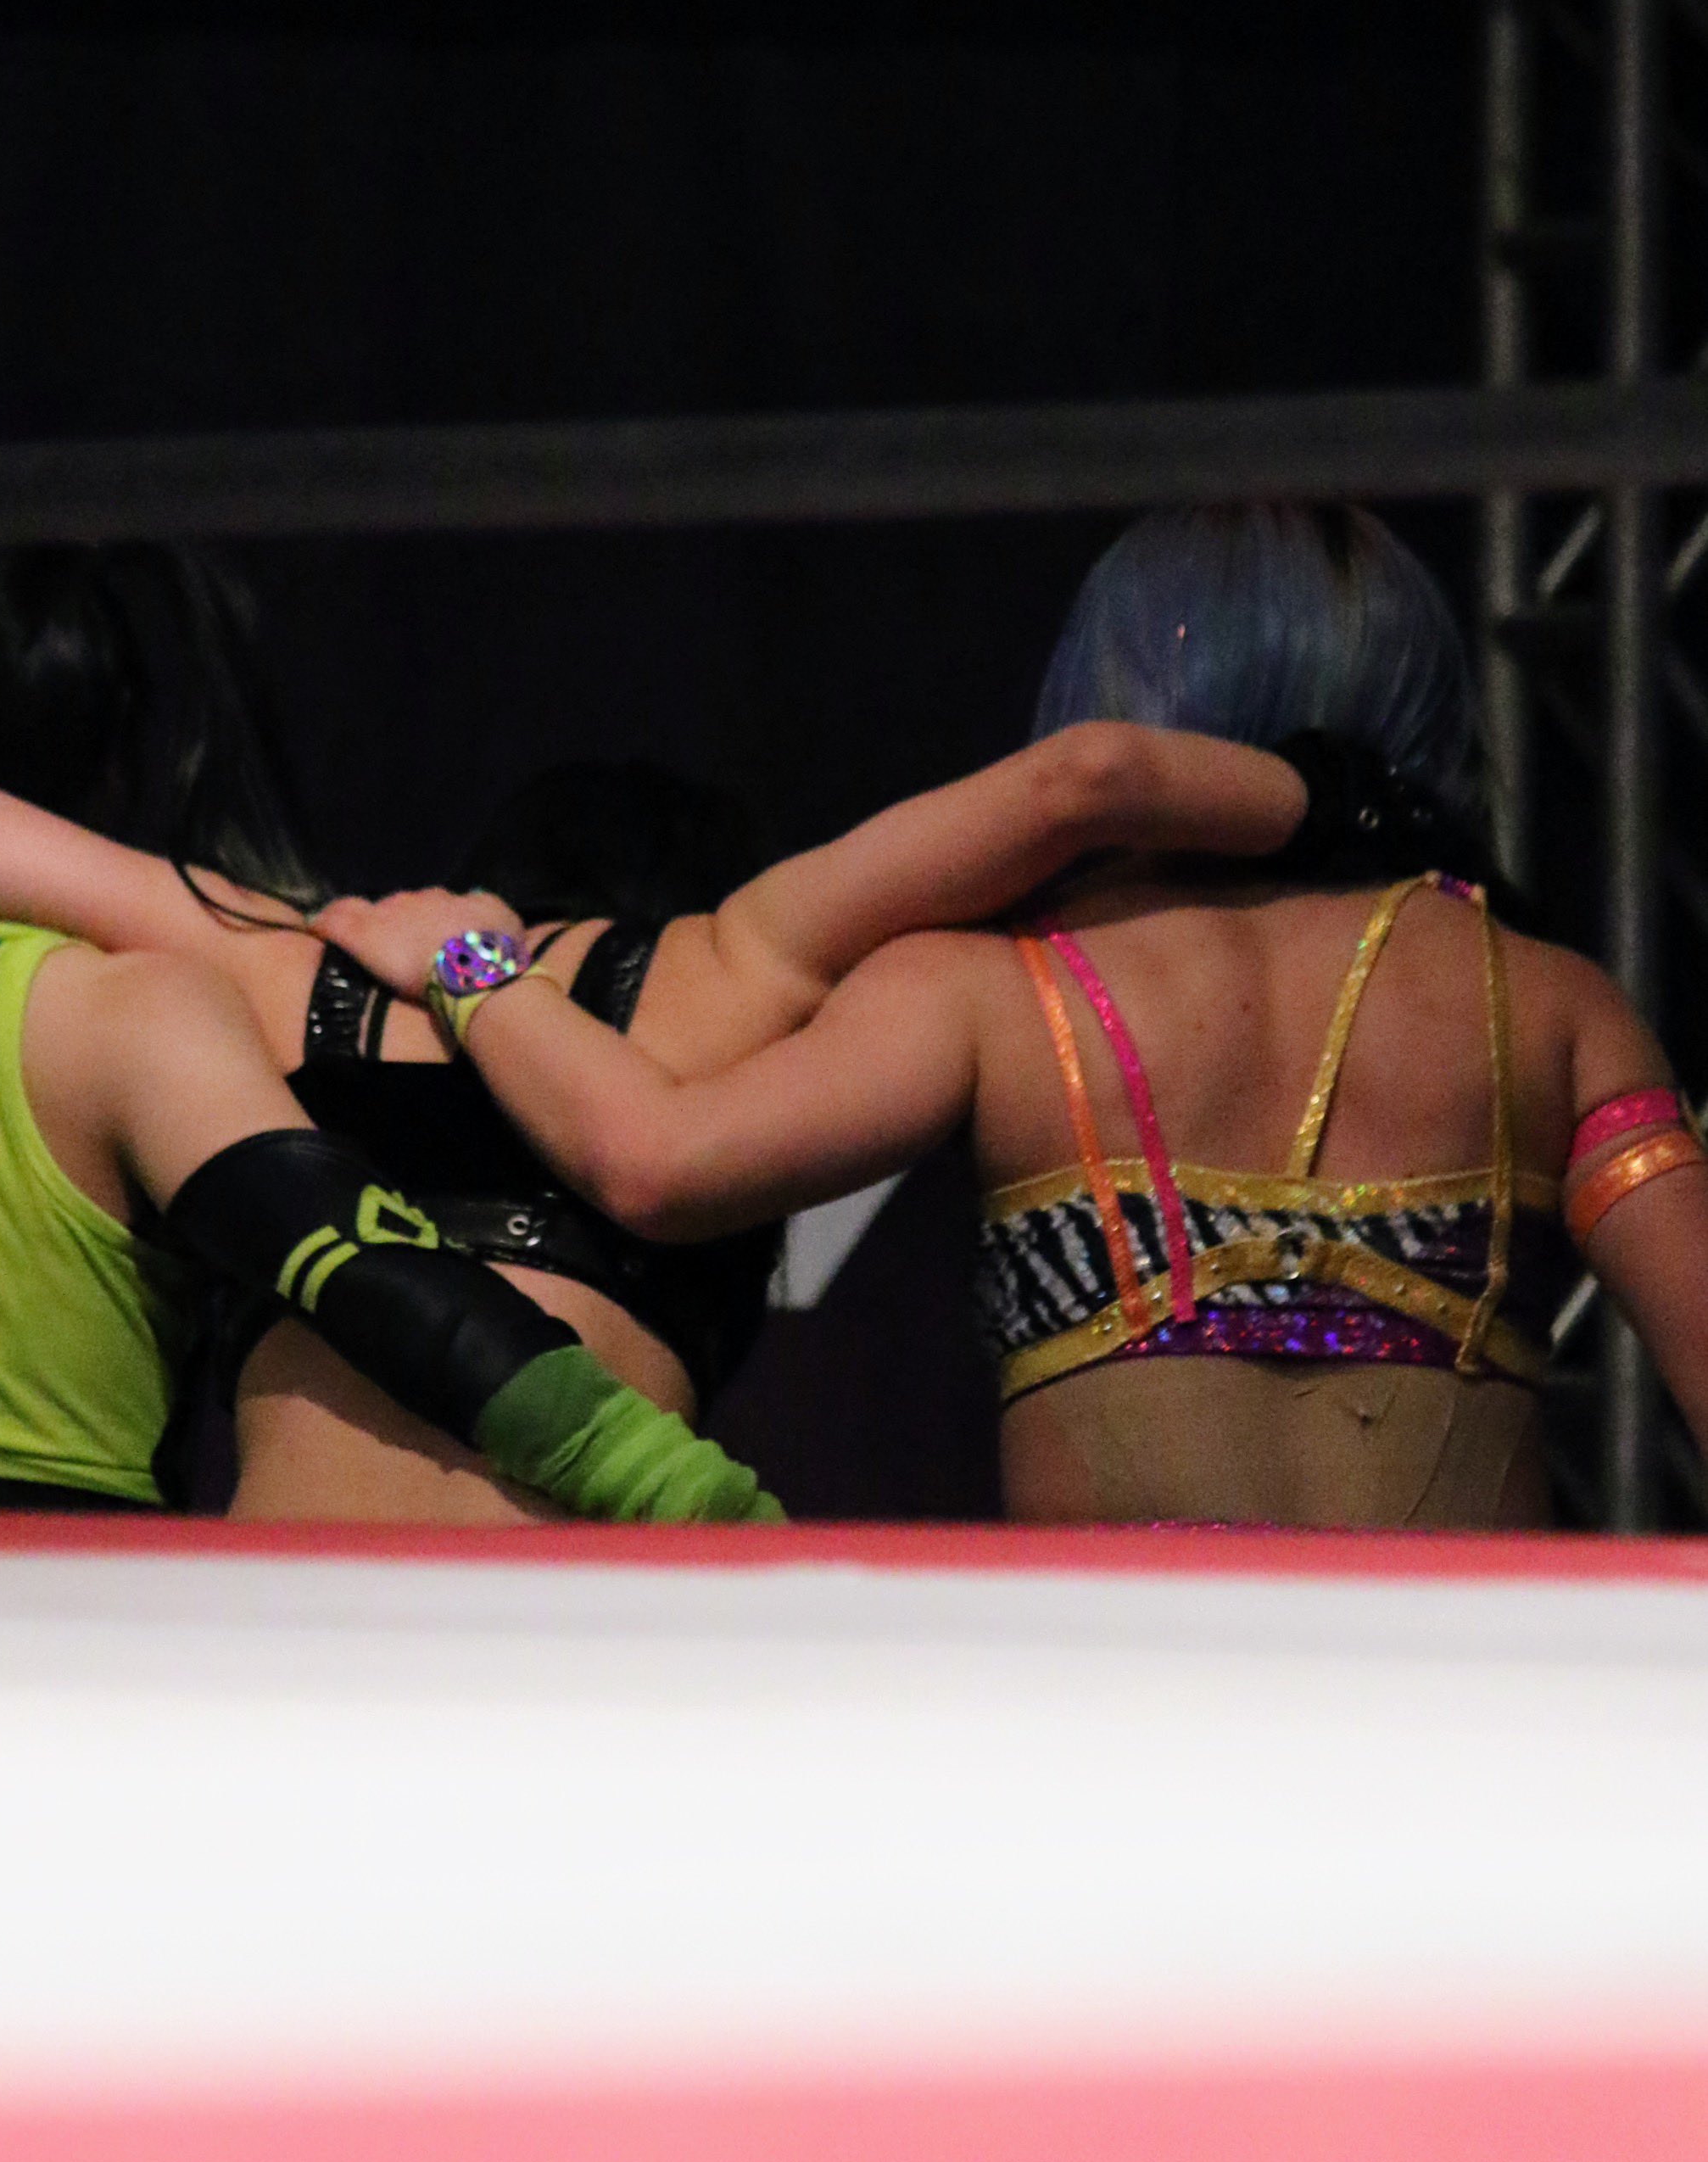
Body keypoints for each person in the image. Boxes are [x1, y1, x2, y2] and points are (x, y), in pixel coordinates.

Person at [0, 604, 1321, 1518]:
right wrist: (1345, 810)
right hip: (578, 1630)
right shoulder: (734, 964)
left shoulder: (285, 962)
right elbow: (1084, 780)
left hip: (273, 1625)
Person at [315, 506, 1708, 1529]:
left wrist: (471, 965)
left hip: (1104, 1742)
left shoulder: (987, 990)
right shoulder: (1549, 1002)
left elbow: (654, 1160)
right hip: (1469, 1743)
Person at [0, 549, 782, 1527]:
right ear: (101, 767)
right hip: (63, 1664)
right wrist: (691, 1496)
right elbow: (376, 1280)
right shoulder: (135, 1011)